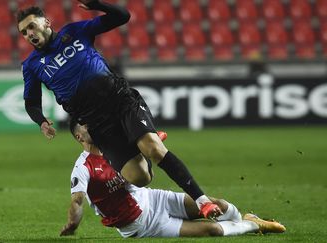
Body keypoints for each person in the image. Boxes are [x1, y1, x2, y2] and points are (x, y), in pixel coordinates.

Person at [17, 0, 221, 218]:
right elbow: (31, 102)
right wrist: (42, 121)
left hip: (119, 99)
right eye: (23, 32)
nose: (29, 34)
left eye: (31, 26)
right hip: (95, 122)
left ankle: (203, 201)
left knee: (154, 149)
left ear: (46, 22)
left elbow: (122, 16)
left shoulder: (74, 32)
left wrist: (97, 4)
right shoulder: (31, 65)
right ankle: (140, 139)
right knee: (141, 177)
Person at [60, 122, 286, 238]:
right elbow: (77, 201)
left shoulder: (116, 149)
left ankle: (244, 218)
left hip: (153, 198)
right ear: (79, 136)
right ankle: (252, 226)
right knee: (213, 231)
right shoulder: (83, 167)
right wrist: (72, 223)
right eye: (86, 125)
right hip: (141, 224)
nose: (92, 126)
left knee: (221, 206)